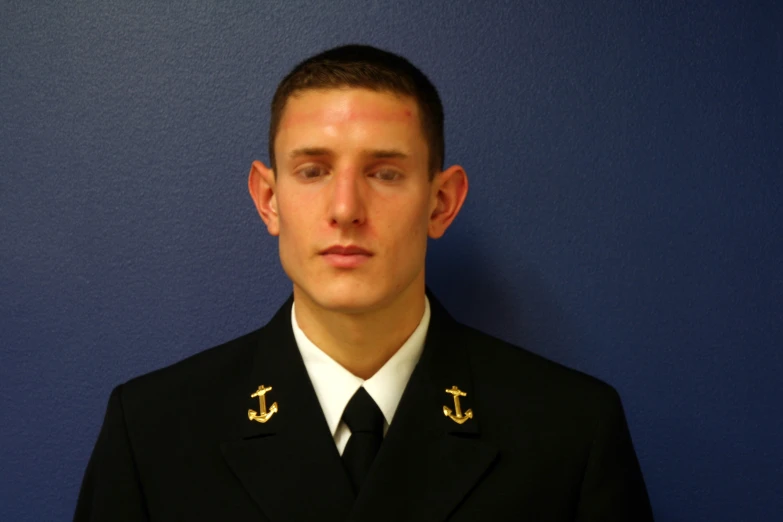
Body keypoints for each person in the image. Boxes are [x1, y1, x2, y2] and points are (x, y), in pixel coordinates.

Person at [74, 44, 654, 521]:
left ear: (441, 202)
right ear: (269, 199)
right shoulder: (152, 433)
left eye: (384, 173)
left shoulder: (571, 432)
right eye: (313, 171)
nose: (346, 208)